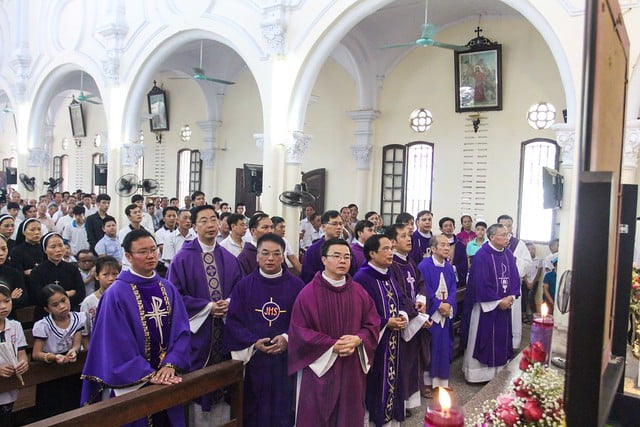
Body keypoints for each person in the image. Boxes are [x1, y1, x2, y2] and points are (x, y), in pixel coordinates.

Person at [81, 229, 191, 427]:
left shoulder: (167, 288)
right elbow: (115, 344)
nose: (151, 256)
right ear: (128, 256)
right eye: (143, 252)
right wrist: (149, 374)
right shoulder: (116, 293)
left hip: (168, 377)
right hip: (135, 384)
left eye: (153, 250)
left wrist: (170, 364)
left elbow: (182, 331)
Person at [288, 238, 379, 427]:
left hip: (352, 367)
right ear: (323, 260)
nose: (342, 261)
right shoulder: (308, 294)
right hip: (320, 369)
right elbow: (299, 332)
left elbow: (372, 324)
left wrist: (358, 339)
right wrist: (331, 345)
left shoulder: (359, 292)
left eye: (346, 257)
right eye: (336, 256)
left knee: (349, 415)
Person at [166, 205, 242, 424]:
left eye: (213, 220)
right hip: (198, 335)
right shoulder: (182, 259)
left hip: (225, 332)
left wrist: (228, 303)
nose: (210, 225)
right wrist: (208, 307)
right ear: (194, 225)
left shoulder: (229, 258)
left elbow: (240, 291)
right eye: (204, 221)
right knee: (198, 390)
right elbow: (175, 296)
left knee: (224, 385)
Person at [223, 233, 304, 426]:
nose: (270, 258)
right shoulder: (243, 286)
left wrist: (286, 338)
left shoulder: (297, 286)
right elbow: (233, 322)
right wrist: (253, 342)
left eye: (276, 253)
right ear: (256, 256)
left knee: (283, 411)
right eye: (265, 253)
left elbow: (305, 322)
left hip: (285, 362)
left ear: (283, 256)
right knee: (253, 412)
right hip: (254, 362)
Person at [354, 234, 407, 426]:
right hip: (375, 344)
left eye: (391, 248)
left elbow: (400, 298)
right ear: (372, 253)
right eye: (385, 249)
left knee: (393, 381)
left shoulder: (388, 273)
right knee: (376, 385)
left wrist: (403, 315)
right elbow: (359, 313)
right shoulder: (362, 278)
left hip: (394, 340)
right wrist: (386, 322)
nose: (391, 252)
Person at [462, 224, 520, 383]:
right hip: (486, 308)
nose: (507, 238)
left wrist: (510, 297)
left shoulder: (508, 254)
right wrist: (497, 301)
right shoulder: (482, 255)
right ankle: (478, 375)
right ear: (492, 237)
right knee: (484, 337)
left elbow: (514, 277)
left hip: (504, 306)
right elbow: (480, 282)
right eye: (503, 235)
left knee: (501, 338)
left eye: (508, 234)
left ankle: (498, 372)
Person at [386, 224, 430, 408]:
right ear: (393, 242)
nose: (409, 238)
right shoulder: (392, 264)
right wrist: (414, 307)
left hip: (415, 315)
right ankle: (400, 403)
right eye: (403, 236)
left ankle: (408, 403)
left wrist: (420, 299)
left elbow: (420, 282)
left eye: (409, 235)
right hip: (403, 321)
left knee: (413, 362)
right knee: (402, 364)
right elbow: (397, 294)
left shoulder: (410, 261)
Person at [32, 284, 86, 419]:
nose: (62, 306)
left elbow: (77, 344)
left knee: (73, 404)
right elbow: (36, 353)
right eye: (55, 305)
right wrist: (53, 357)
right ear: (47, 309)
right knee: (52, 409)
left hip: (71, 368)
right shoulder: (43, 325)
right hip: (50, 370)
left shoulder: (77, 318)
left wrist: (74, 351)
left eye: (64, 300)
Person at [418, 235, 457, 390]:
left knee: (444, 347)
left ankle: (441, 382)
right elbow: (423, 289)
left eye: (448, 245)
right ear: (433, 249)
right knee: (430, 348)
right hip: (432, 314)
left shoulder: (448, 267)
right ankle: (427, 384)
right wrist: (438, 304)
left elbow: (453, 288)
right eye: (443, 245)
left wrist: (449, 304)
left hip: (445, 313)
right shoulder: (424, 266)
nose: (447, 248)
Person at [30, 232, 86, 321]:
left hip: (70, 313)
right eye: (53, 247)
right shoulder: (37, 271)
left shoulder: (72, 268)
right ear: (45, 250)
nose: (58, 250)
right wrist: (66, 295)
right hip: (45, 316)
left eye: (61, 245)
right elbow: (38, 297)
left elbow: (81, 293)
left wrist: (61, 304)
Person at [497, 214, 533, 349]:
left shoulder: (519, 244)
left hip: (512, 287)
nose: (506, 228)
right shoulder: (491, 242)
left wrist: (515, 261)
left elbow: (527, 263)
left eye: (509, 225)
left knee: (512, 315)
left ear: (513, 226)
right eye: (503, 225)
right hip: (496, 288)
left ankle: (511, 344)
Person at [300, 210, 357, 283]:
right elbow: (307, 277)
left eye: (341, 224)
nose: (339, 227)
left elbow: (353, 272)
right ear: (323, 227)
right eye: (334, 224)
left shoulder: (346, 248)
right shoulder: (313, 250)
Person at [0, 283, 29, 426]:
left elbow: (21, 353)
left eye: (7, 301)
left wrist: (23, 362)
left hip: (9, 387)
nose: (3, 307)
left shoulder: (15, 326)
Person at [80, 256, 120, 338]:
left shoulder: (125, 298)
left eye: (115, 274)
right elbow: (84, 332)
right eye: (105, 274)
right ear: (97, 276)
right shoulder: (89, 302)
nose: (111, 278)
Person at [8, 218, 44, 288]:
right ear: (24, 232)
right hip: (25, 286)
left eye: (39, 229)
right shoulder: (17, 251)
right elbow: (16, 273)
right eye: (32, 230)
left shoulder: (44, 248)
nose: (37, 232)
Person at [0, 236, 28, 313]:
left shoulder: (14, 273)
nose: (1, 253)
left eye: (4, 249)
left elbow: (23, 299)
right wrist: (9, 299)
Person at [523, 242, 542, 323]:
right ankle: (524, 315)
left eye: (533, 249)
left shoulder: (539, 260)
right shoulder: (524, 260)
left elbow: (538, 273)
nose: (531, 251)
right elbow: (524, 272)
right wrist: (527, 282)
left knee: (531, 298)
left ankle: (534, 316)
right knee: (524, 298)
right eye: (529, 249)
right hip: (525, 282)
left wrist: (532, 283)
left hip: (534, 282)